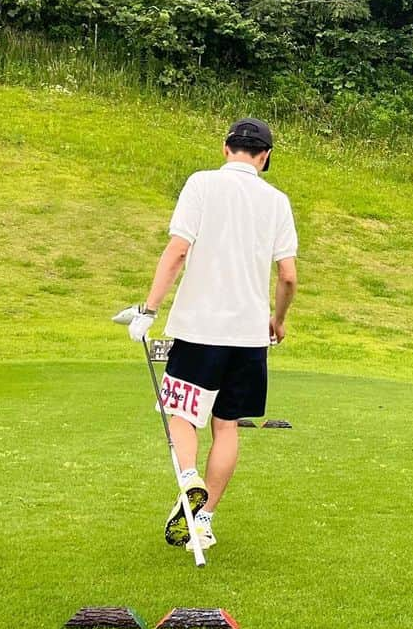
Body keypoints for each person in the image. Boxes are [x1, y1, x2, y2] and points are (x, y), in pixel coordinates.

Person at [115, 118, 298, 555]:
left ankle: (188, 479)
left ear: (225, 148)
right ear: (266, 156)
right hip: (249, 336)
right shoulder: (277, 201)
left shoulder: (200, 184)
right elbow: (288, 276)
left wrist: (149, 310)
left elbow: (177, 251)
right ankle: (205, 518)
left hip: (198, 329)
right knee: (227, 424)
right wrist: (277, 320)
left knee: (182, 414)